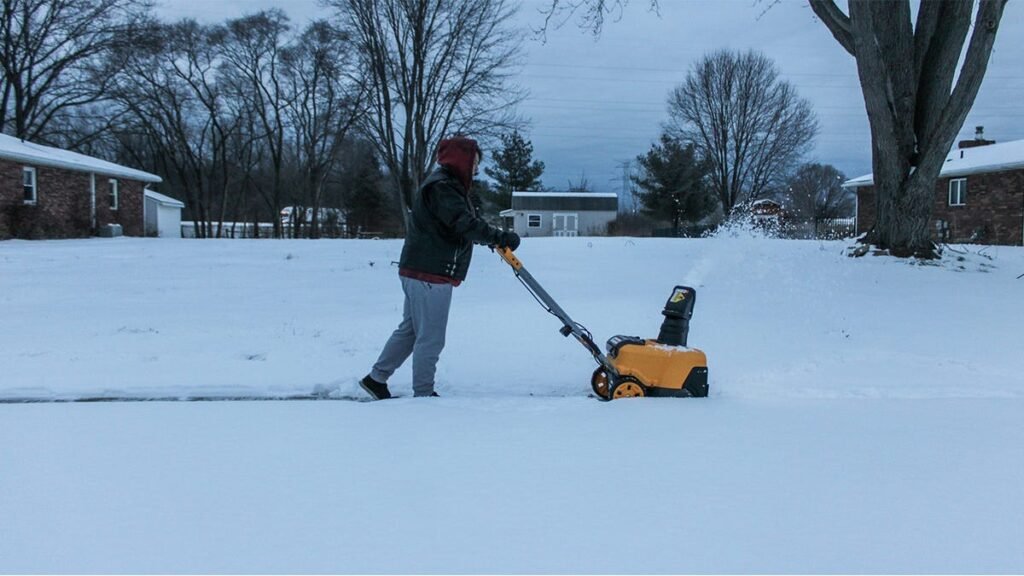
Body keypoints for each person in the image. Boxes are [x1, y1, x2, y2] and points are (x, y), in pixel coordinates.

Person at [360, 136, 520, 400]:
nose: (476, 169)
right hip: (430, 273)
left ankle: (376, 379)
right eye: (473, 162)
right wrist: (499, 237)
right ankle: (424, 395)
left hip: (420, 268)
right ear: (460, 160)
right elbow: (462, 223)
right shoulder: (443, 188)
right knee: (431, 337)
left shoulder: (446, 185)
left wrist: (490, 238)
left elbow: (459, 224)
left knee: (411, 330)